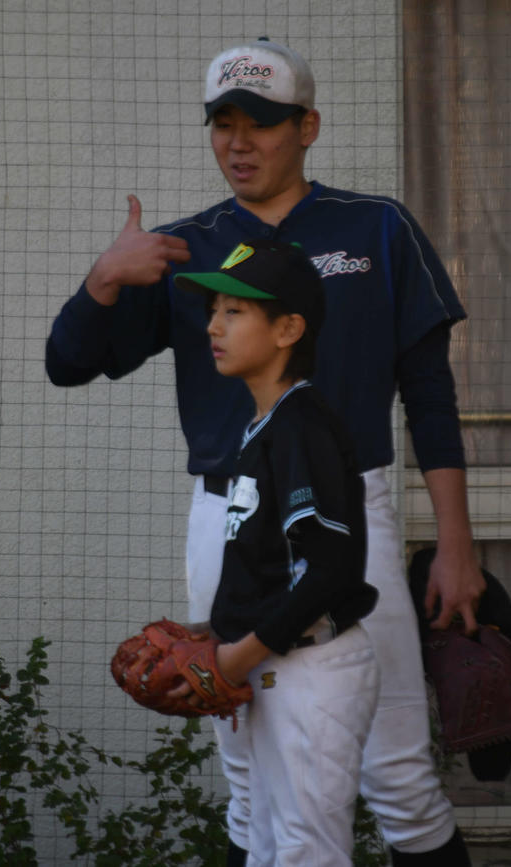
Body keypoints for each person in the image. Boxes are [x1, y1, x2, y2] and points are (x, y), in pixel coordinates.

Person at [46, 37, 482, 866]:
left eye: (263, 123)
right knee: (250, 774)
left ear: (307, 127)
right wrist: (104, 278)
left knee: (396, 772)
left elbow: (430, 396)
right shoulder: (185, 250)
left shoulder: (377, 227)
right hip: (228, 513)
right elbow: (66, 365)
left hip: (350, 510)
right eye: (224, 123)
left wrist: (456, 545)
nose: (240, 143)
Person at [171, 237, 381, 865]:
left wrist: (234, 657)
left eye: (235, 311)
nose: (213, 326)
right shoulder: (267, 425)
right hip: (276, 664)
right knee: (267, 846)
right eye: (213, 310)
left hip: (312, 670)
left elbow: (331, 569)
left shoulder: (302, 428)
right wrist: (219, 630)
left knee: (305, 853)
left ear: (288, 329)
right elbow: (275, 564)